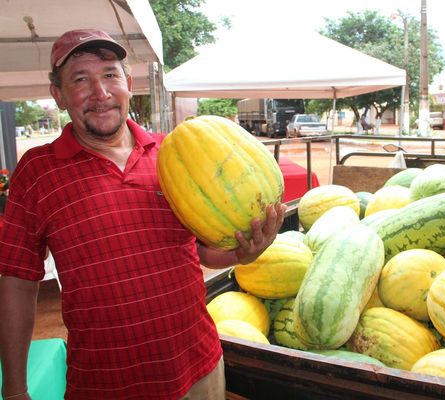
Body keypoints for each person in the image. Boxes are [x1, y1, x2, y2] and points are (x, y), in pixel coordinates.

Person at [0, 29, 285, 400]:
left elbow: (202, 252)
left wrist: (244, 252)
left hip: (197, 370)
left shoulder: (174, 156)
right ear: (58, 94)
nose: (100, 93)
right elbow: (17, 281)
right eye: (80, 79)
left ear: (128, 83)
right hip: (104, 386)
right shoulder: (37, 171)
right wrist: (16, 388)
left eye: (109, 75)